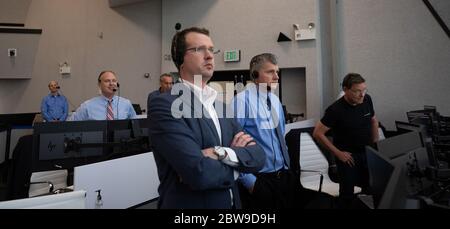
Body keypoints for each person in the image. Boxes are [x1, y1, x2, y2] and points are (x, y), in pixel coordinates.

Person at [147, 27, 265, 209]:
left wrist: (220, 152)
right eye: (199, 49)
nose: (209, 55)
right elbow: (199, 173)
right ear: (181, 60)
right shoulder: (165, 104)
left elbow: (258, 156)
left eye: (211, 49)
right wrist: (238, 163)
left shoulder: (221, 107)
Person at [232, 53, 303, 208]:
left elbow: (280, 138)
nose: (276, 76)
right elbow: (231, 144)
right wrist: (250, 182)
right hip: (259, 179)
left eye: (277, 72)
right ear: (255, 75)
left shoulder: (275, 100)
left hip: (283, 176)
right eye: (270, 72)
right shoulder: (241, 101)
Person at [313, 72, 379, 208]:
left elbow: (373, 121)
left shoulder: (367, 100)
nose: (362, 95)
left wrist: (376, 144)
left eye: (364, 90)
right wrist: (338, 153)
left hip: (368, 152)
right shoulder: (335, 110)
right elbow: (318, 133)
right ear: (345, 90)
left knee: (370, 191)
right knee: (347, 195)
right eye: (357, 91)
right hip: (348, 157)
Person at [71, 71, 137, 121]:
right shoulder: (87, 106)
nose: (111, 83)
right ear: (99, 84)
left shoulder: (126, 103)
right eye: (107, 81)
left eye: (114, 81)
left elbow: (135, 125)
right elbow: (71, 125)